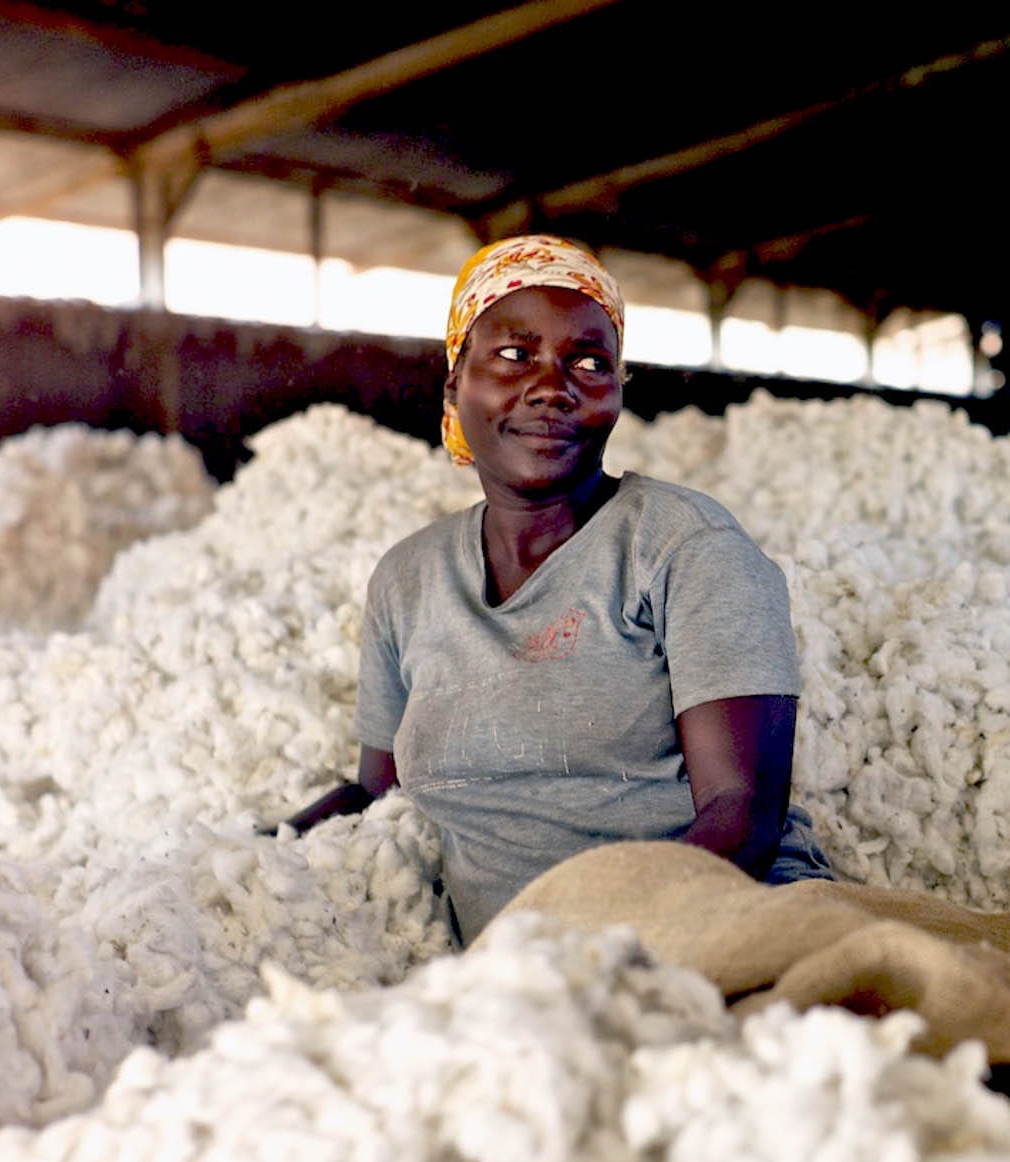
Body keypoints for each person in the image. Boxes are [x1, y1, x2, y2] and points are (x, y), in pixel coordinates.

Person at [281, 235, 831, 943]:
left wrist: (593, 958)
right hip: (513, 990)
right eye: (514, 355)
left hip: (714, 933)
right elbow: (376, 796)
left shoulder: (683, 547)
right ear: (455, 382)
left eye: (589, 362)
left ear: (618, 391)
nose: (551, 385)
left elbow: (741, 811)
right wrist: (256, 848)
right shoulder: (407, 580)